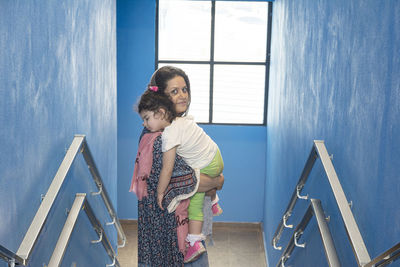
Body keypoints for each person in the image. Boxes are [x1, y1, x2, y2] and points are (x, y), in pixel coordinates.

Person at [130, 66, 224, 266]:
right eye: (174, 91)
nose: (183, 96)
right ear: (160, 100)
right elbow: (188, 182)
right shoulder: (159, 140)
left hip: (172, 231)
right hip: (172, 238)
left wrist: (212, 184)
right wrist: (217, 181)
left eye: (184, 89)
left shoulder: (176, 128)